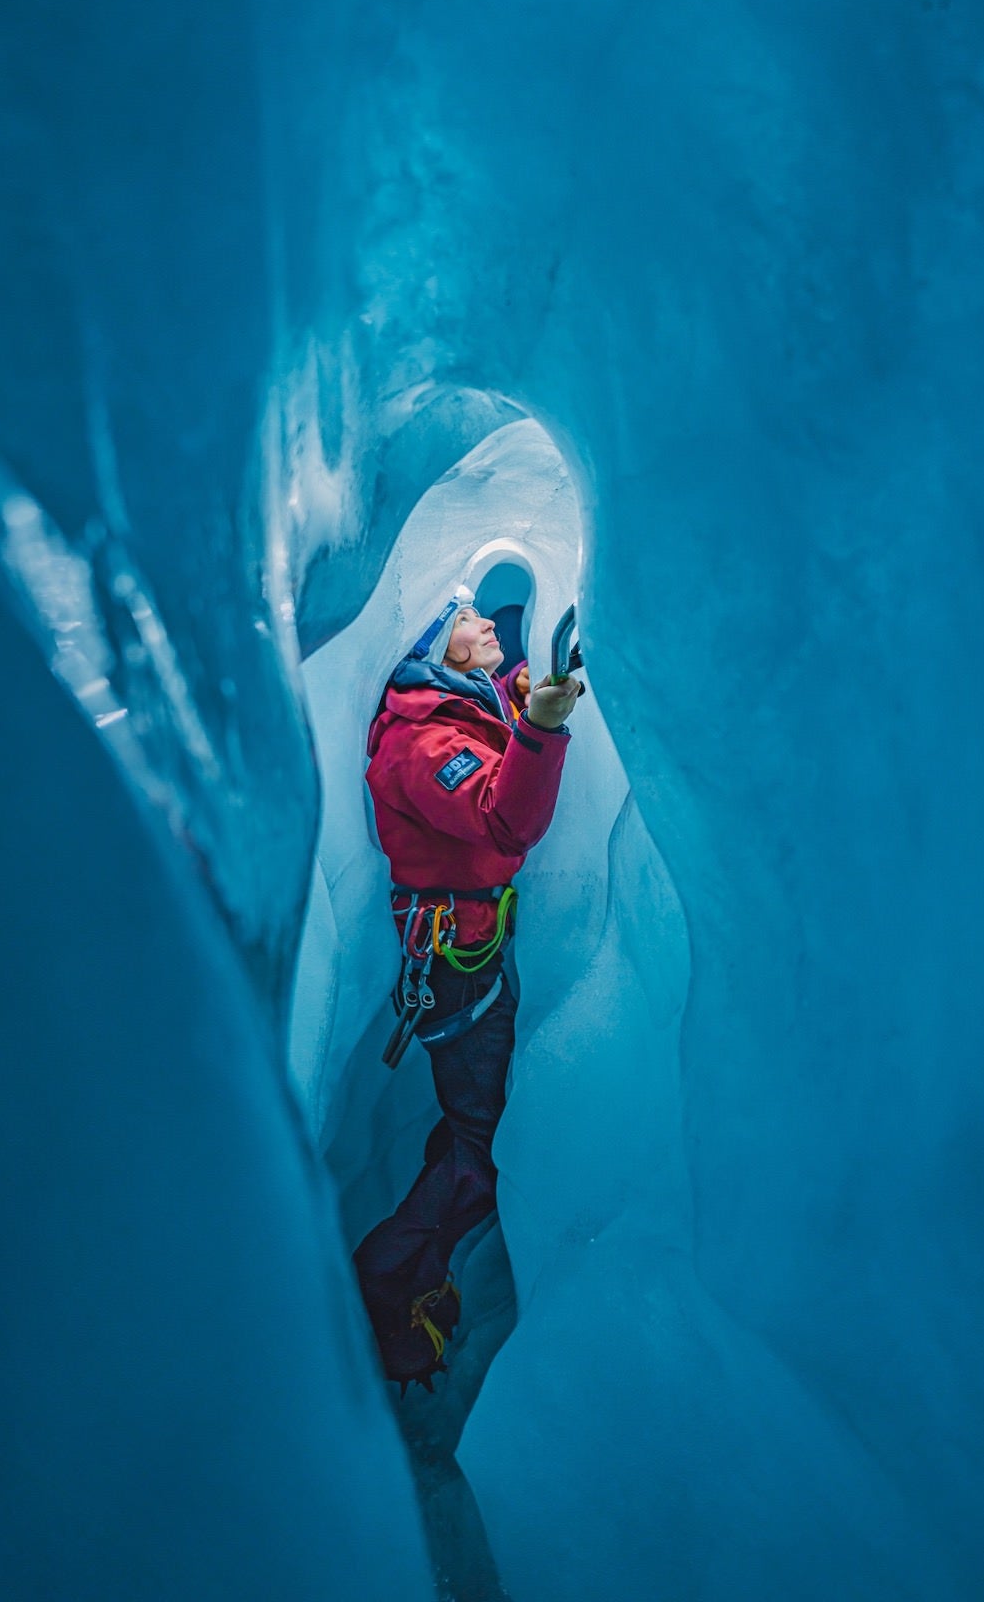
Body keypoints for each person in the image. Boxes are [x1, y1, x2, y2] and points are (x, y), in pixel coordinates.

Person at [354, 588, 581, 1392]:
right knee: (481, 1148)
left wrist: (522, 699)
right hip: (456, 977)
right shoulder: (418, 746)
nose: (488, 625)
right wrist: (541, 729)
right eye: (467, 620)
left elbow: (484, 743)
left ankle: (412, 1263)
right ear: (431, 648)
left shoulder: (445, 712)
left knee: (469, 1126)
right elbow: (499, 820)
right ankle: (385, 1276)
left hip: (463, 965)